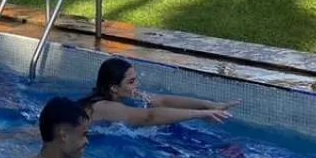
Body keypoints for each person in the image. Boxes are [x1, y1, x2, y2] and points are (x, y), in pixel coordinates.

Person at [79, 58, 232, 128]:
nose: (136, 85)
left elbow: (162, 101)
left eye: (135, 80)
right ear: (114, 88)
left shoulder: (121, 95)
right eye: (131, 82)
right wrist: (199, 114)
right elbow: (149, 116)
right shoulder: (104, 106)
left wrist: (208, 105)